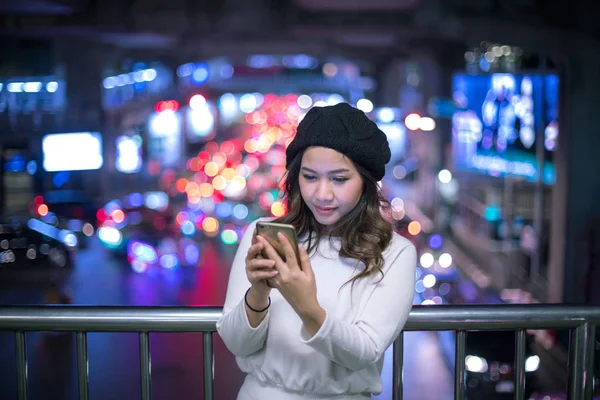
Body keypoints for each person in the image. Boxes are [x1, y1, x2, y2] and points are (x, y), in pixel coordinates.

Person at [216, 102, 417, 399]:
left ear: (365, 181)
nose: (322, 194)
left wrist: (307, 307)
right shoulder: (263, 234)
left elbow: (364, 351)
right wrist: (257, 294)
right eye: (310, 177)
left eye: (339, 179)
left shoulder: (394, 252)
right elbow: (237, 344)